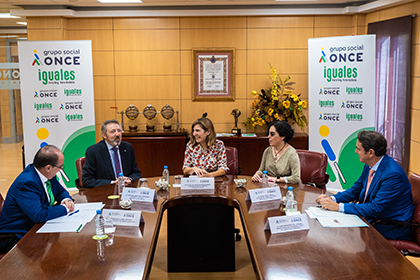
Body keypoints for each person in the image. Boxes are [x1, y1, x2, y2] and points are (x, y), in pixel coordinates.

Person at [316, 131, 414, 240]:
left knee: (340, 237)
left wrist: (338, 207)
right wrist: (332, 199)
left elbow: (375, 209)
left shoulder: (393, 175)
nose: (355, 151)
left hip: (389, 226)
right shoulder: (370, 165)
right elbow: (355, 190)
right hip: (372, 219)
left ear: (371, 152)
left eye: (359, 149)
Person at [0, 145, 74, 254]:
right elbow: (38, 215)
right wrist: (65, 209)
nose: (60, 170)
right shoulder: (27, 183)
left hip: (35, 227)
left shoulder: (46, 174)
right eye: (60, 167)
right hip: (16, 235)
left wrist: (66, 199)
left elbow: (60, 191)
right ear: (48, 167)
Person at [82, 119, 142, 188]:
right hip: (104, 193)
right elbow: (87, 180)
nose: (117, 134)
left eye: (119, 131)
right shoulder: (93, 151)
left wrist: (128, 179)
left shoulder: (127, 148)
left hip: (126, 190)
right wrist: (112, 182)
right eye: (112, 131)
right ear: (104, 135)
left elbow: (137, 173)